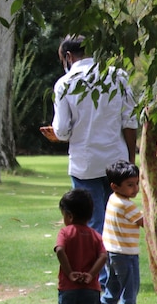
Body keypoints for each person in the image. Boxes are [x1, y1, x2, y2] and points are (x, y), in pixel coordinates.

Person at [40, 34, 139, 236]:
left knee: (92, 223)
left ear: (68, 56)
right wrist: (130, 159)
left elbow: (62, 129)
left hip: (85, 165)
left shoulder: (65, 84)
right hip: (116, 160)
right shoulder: (117, 76)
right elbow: (129, 120)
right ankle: (115, 267)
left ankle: (97, 268)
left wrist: (56, 136)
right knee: (117, 223)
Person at [54, 189, 108, 304]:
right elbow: (103, 256)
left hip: (68, 287)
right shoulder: (95, 236)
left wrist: (69, 273)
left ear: (68, 216)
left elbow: (60, 250)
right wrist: (91, 274)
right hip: (90, 288)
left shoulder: (65, 232)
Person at [97, 160, 144, 304]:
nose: (135, 189)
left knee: (113, 290)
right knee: (129, 292)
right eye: (130, 185)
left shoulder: (113, 199)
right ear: (114, 186)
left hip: (112, 252)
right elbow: (144, 222)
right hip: (125, 254)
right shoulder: (127, 205)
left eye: (136, 184)